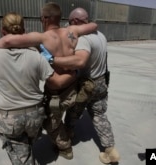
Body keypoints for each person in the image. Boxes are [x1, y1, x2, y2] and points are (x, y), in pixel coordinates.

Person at [0, 2, 97, 160]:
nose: (41, 21)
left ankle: (65, 148)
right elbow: (94, 25)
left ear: (46, 19)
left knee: (50, 122)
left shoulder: (41, 37)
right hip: (73, 86)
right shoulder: (72, 31)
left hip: (57, 92)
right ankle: (68, 131)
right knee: (66, 113)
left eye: (42, 18)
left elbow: (7, 41)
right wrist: (75, 72)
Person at [0, 12, 76, 165]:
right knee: (28, 141)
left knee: (23, 156)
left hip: (11, 120)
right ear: (24, 31)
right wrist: (75, 73)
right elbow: (55, 82)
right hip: (36, 116)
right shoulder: (36, 55)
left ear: (3, 32)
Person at [42, 7, 120, 164]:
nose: (70, 27)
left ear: (76, 21)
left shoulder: (84, 39)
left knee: (74, 109)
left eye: (71, 23)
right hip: (101, 81)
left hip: (87, 83)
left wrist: (51, 60)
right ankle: (111, 150)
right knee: (98, 114)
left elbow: (80, 61)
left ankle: (68, 134)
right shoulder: (101, 35)